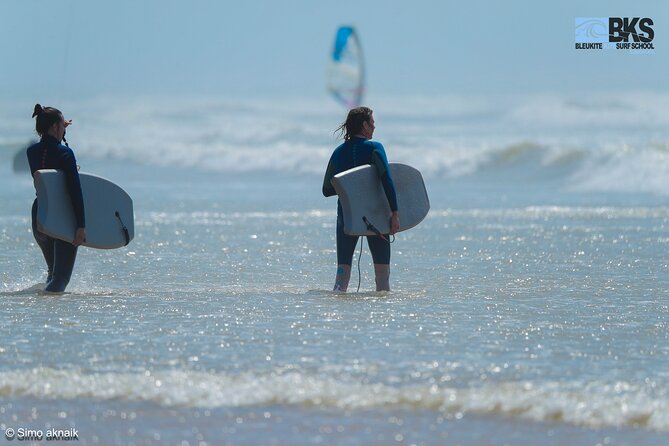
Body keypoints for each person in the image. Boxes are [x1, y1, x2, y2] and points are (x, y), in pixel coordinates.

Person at [322, 107, 400, 292]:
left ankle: (337, 315)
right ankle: (381, 318)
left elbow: (327, 189)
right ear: (364, 125)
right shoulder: (375, 148)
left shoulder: (338, 153)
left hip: (347, 217)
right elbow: (386, 180)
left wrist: (351, 190)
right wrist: (395, 213)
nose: (374, 126)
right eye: (372, 123)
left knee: (342, 278)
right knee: (382, 278)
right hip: (376, 216)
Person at [26, 104, 86, 292]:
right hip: (62, 218)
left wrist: (58, 126)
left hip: (40, 218)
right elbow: (74, 191)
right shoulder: (65, 153)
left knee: (53, 274)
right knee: (60, 281)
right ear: (54, 126)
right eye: (61, 123)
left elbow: (48, 153)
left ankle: (43, 308)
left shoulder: (31, 152)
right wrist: (81, 226)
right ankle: (47, 310)